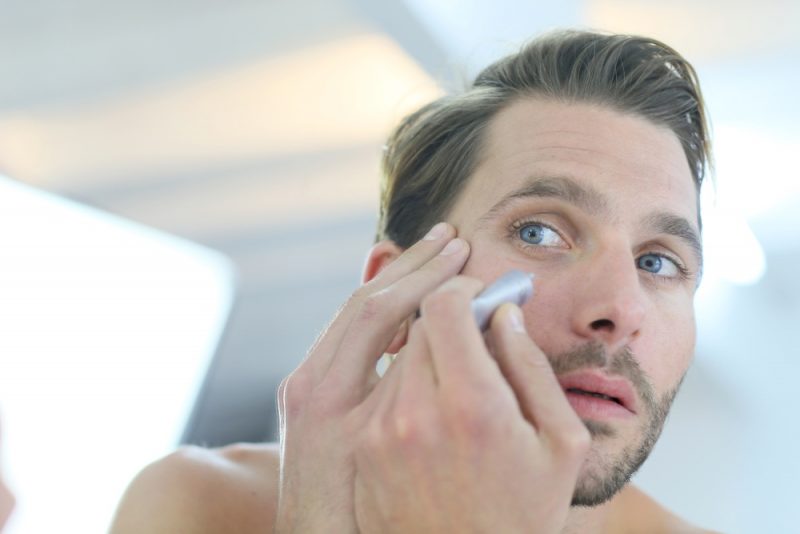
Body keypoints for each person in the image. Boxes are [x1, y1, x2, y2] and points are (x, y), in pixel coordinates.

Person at [109, 30, 719, 533]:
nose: (618, 307)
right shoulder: (194, 506)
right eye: (538, 232)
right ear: (397, 294)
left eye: (658, 262)